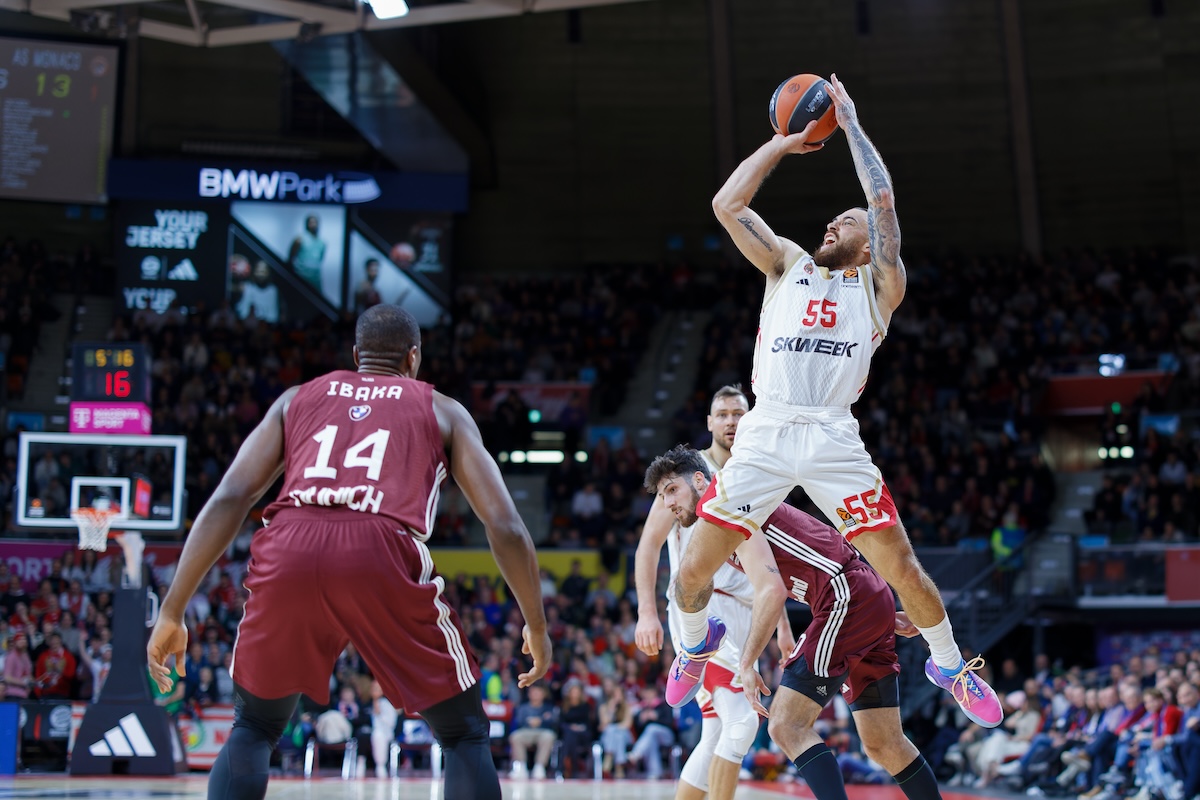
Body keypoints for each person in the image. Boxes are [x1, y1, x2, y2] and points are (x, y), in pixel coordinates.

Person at [671, 72, 1002, 729]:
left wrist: (848, 126)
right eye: (832, 218)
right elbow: (727, 206)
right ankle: (692, 645)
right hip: (765, 435)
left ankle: (948, 663)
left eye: (842, 221)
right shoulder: (787, 262)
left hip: (829, 438)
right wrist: (783, 145)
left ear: (865, 242)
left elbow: (880, 202)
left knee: (903, 569)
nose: (831, 223)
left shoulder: (880, 283)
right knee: (690, 574)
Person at [147, 304, 552, 800]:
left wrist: (172, 610)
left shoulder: (296, 399)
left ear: (357, 355)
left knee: (253, 725)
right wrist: (536, 624)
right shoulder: (441, 408)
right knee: (463, 732)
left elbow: (232, 497)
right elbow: (506, 525)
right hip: (378, 545)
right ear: (413, 359)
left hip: (288, 541)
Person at [648, 445, 944, 800]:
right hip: (857, 596)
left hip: (843, 597)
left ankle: (695, 648)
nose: (667, 504)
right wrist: (876, 609)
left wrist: (747, 662)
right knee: (885, 743)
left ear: (699, 479)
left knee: (786, 724)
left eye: (671, 490)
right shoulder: (724, 514)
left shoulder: (728, 503)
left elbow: (771, 590)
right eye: (662, 496)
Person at [635, 384, 786, 800]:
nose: (731, 421)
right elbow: (648, 545)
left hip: (747, 607)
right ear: (710, 422)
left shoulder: (757, 472)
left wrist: (783, 627)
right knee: (742, 723)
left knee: (717, 729)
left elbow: (766, 561)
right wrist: (646, 611)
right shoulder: (687, 474)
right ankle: (693, 651)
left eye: (738, 413)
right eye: (722, 414)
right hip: (703, 607)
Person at [288, 215, 326, 290]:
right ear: (307, 224)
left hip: (316, 278)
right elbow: (291, 258)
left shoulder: (322, 243)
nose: (313, 224)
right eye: (311, 222)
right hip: (301, 276)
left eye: (315, 222)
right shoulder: (300, 239)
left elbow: (320, 259)